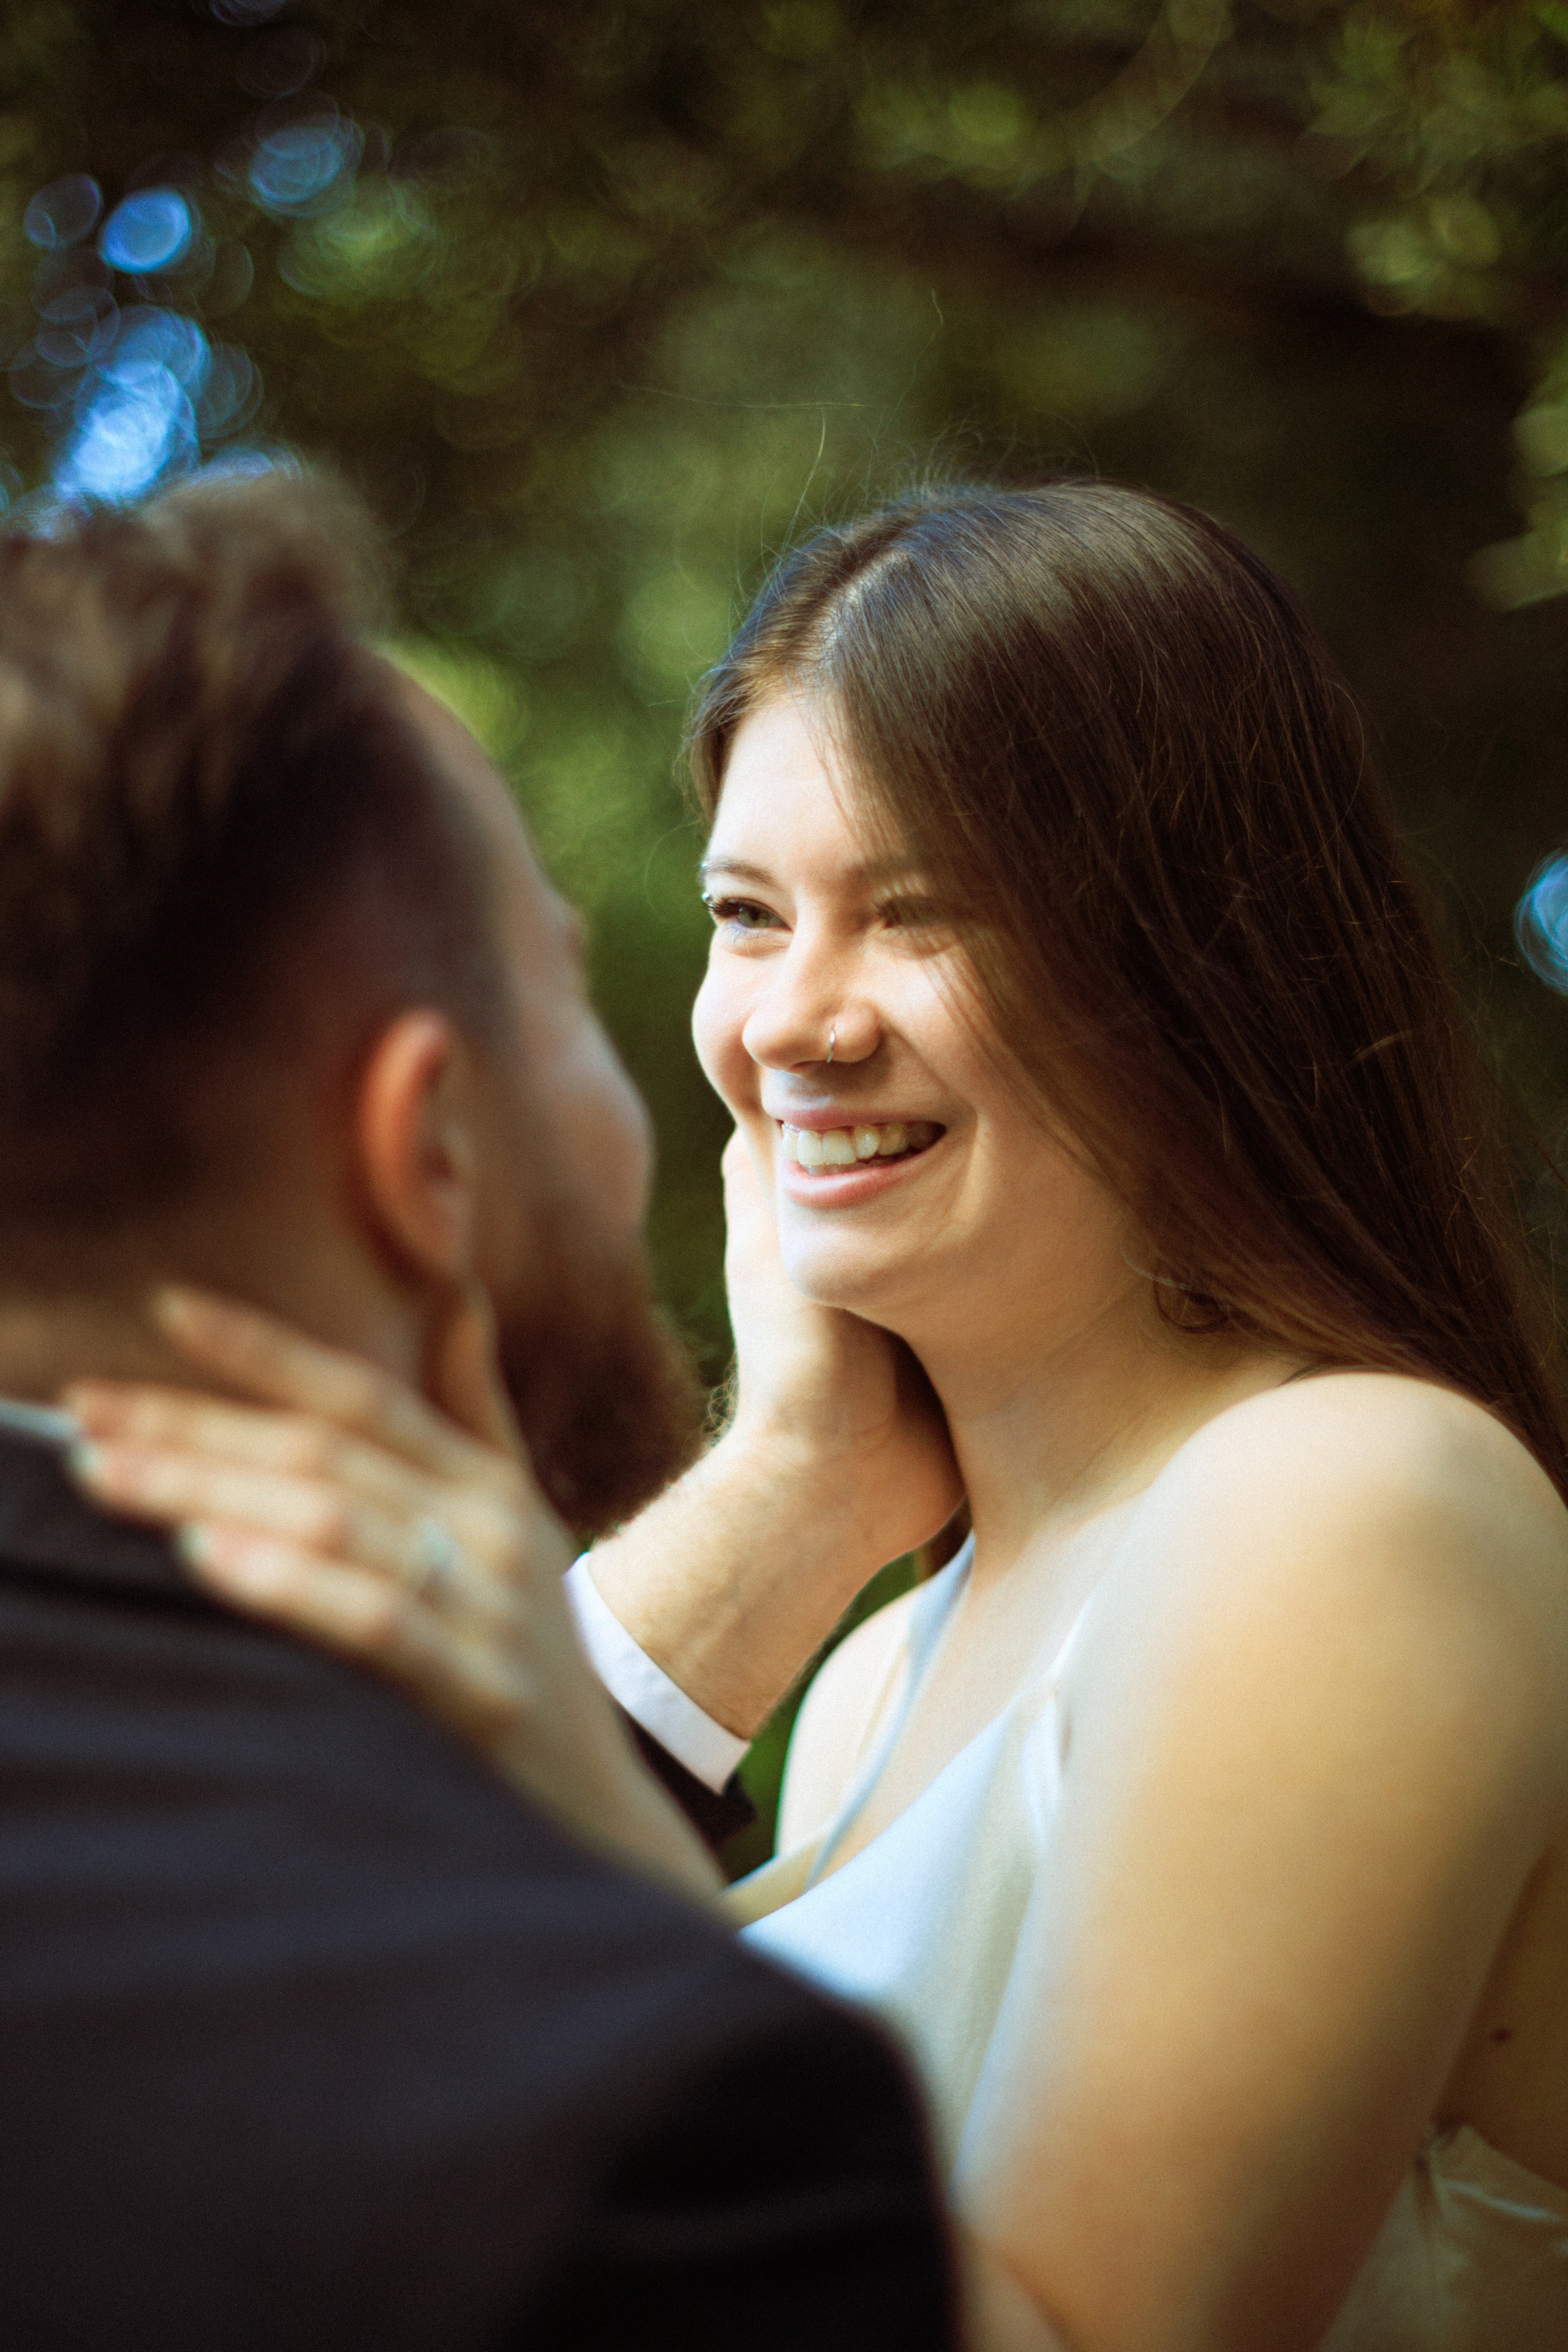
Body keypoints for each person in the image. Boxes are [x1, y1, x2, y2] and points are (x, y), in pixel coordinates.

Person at [72, 481, 1568, 2350]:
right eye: (749, 914)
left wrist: (567, 1792)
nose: (795, 1020)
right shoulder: (873, 1661)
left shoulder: (1349, 1507)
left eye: (921, 912)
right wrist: (792, 1482)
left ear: (1201, 957)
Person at [0, 475, 960, 2351]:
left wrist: (792, 1488)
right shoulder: (656, 2124)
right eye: (568, 991)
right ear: (425, 1154)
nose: (766, 1049)